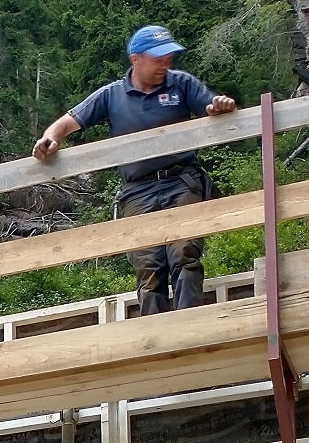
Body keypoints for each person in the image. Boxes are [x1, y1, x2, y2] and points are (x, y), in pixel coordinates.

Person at [31, 24, 239, 315]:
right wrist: (50, 139)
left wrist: (221, 107)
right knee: (149, 267)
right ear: (135, 59)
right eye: (158, 59)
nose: (165, 64)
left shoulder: (182, 84)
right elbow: (65, 123)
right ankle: (156, 335)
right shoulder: (111, 95)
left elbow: (212, 108)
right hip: (137, 190)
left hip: (181, 181)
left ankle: (191, 326)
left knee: (184, 254)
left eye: (169, 58)